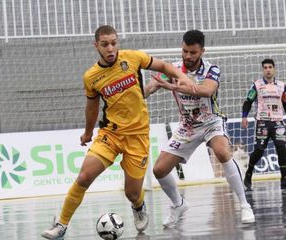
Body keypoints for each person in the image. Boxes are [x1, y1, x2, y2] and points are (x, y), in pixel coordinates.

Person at [41, 25, 196, 239]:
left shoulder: (133, 58)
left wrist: (183, 77)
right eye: (105, 44)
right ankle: (61, 225)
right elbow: (92, 107)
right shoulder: (91, 77)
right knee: (84, 176)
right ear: (96, 46)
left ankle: (138, 206)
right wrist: (88, 133)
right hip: (110, 134)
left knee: (132, 193)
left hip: (138, 136)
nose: (110, 48)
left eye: (114, 42)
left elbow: (163, 66)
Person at [144, 30, 255, 227]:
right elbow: (152, 86)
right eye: (185, 51)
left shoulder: (212, 70)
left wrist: (173, 87)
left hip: (211, 122)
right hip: (187, 126)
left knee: (222, 152)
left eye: (193, 52)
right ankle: (178, 204)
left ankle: (245, 205)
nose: (187, 56)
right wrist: (140, 93)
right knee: (159, 169)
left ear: (202, 51)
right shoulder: (173, 69)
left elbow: (207, 90)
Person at [241, 58, 286, 190]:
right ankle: (248, 174)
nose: (268, 70)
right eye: (265, 67)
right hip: (263, 122)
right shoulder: (257, 85)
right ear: (263, 70)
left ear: (274, 68)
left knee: (282, 148)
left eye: (270, 67)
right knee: (259, 151)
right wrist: (244, 117)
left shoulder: (282, 86)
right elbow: (248, 101)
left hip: (278, 122)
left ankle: (284, 178)